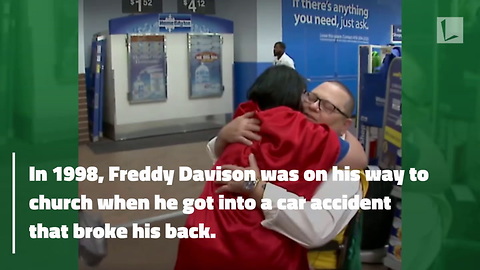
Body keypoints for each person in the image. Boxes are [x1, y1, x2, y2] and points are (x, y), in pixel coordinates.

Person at [175, 66, 356, 270]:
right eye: (312, 97)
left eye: (328, 107)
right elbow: (218, 152)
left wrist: (257, 188)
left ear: (346, 124)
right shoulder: (270, 129)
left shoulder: (346, 175)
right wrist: (225, 135)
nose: (313, 106)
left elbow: (315, 231)